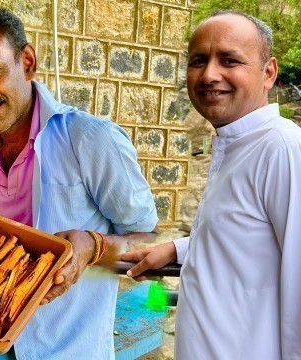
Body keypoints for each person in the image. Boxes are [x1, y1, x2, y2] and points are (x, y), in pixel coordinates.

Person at [0, 7, 158, 359]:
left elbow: (152, 247)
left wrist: (93, 246)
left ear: (27, 61)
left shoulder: (89, 140)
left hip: (69, 350)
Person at [120, 10, 301, 359]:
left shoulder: (282, 149)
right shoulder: (234, 146)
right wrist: (178, 250)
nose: (209, 75)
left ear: (268, 73)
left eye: (229, 60)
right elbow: (247, 237)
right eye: (198, 60)